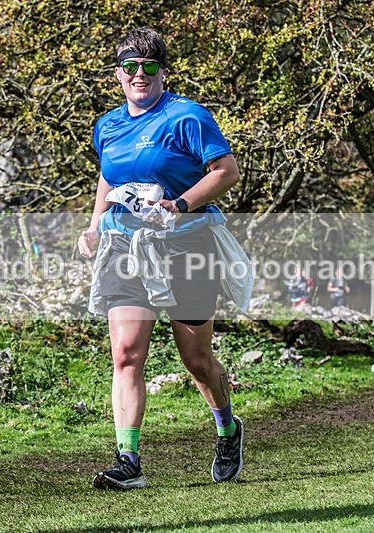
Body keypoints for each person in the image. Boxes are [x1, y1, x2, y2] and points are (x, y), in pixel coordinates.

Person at [78, 27, 246, 490]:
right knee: (126, 352)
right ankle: (128, 460)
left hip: (186, 244)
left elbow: (226, 172)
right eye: (130, 67)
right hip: (126, 248)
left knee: (196, 359)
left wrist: (179, 204)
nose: (139, 75)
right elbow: (108, 179)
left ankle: (227, 429)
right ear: (118, 74)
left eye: (149, 67)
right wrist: (95, 225)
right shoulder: (108, 125)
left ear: (162, 72)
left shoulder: (187, 116)